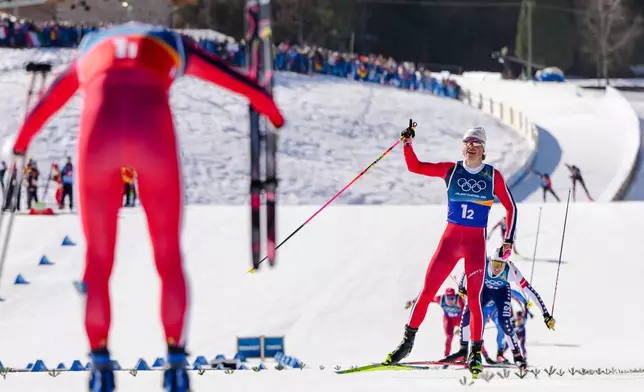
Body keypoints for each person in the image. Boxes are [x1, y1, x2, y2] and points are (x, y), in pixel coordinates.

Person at [10, 22, 285, 392]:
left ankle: (101, 367)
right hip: (152, 136)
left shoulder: (89, 46)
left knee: (98, 260)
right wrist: (271, 110)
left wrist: (21, 143)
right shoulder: (168, 40)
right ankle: (174, 365)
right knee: (167, 255)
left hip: (98, 139)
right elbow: (232, 80)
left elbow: (50, 101)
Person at [384, 125, 518, 377]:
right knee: (426, 292)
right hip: (450, 242)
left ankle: (475, 353)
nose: (470, 146)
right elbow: (416, 167)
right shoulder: (451, 170)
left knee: (474, 301)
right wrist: (407, 144)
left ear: (484, 149)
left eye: (476, 142)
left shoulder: (492, 176)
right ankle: (406, 343)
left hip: (475, 245)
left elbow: (511, 207)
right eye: (467, 141)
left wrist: (508, 240)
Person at [446, 251, 555, 370]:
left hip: (501, 294)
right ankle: (463, 351)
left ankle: (517, 356)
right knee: (468, 312)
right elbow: (467, 270)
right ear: (491, 261)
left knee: (504, 322)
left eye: (501, 265)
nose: (497, 269)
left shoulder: (511, 271)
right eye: (495, 265)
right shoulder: (484, 263)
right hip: (484, 291)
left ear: (505, 264)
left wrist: (546, 314)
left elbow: (531, 291)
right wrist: (461, 287)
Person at [405, 287, 465, 357]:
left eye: (452, 298)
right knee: (449, 336)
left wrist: (461, 327)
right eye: (448, 298)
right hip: (449, 320)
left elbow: (466, 314)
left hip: (459, 320)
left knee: (464, 336)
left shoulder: (459, 299)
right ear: (445, 297)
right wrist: (412, 302)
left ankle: (465, 356)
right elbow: (426, 298)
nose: (450, 301)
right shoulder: (440, 299)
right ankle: (446, 357)